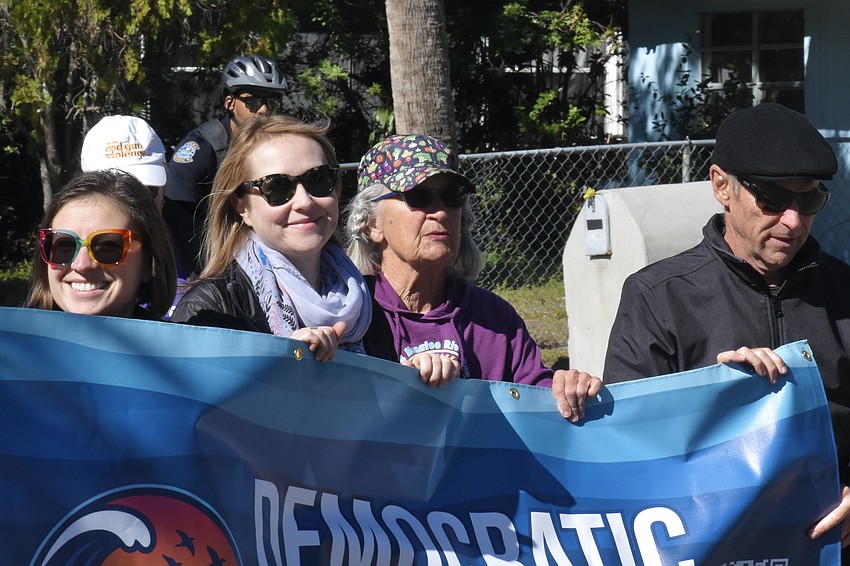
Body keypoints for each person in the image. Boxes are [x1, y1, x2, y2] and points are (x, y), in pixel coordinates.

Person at [602, 103, 850, 552]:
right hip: (707, 544)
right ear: (721, 185)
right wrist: (714, 397)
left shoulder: (845, 291)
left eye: (809, 199)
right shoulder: (658, 296)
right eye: (772, 200)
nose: (793, 221)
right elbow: (626, 445)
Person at [347, 133, 601, 420]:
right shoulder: (351, 315)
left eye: (451, 197)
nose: (441, 212)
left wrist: (567, 389)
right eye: (418, 196)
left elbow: (539, 407)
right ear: (371, 223)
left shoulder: (494, 317)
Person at [170, 114, 371, 362]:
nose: (305, 202)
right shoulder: (209, 308)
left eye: (318, 179)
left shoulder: (371, 298)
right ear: (241, 206)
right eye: (277, 187)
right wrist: (279, 364)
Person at [165, 55, 288, 273]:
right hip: (209, 258)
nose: (263, 110)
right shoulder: (201, 148)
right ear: (230, 103)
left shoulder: (280, 147)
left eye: (272, 102)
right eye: (252, 101)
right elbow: (178, 220)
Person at [81, 115, 194, 315]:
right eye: (117, 193)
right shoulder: (63, 255)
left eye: (146, 191)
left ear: (165, 182)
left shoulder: (208, 244)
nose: (135, 206)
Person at [27, 170, 177, 320]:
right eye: (65, 246)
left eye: (108, 247)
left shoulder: (185, 343)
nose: (81, 265)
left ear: (149, 262)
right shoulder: (8, 340)